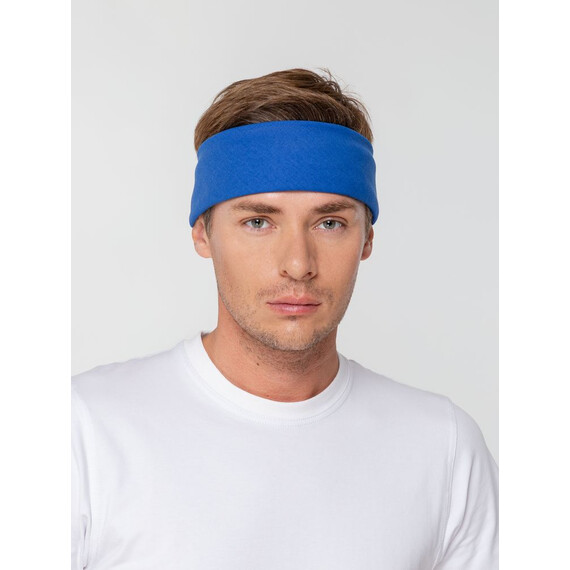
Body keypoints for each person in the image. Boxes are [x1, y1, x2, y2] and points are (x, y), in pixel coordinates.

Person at [72, 68, 498, 569]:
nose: (298, 264)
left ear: (367, 239)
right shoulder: (85, 430)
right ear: (203, 234)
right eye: (258, 221)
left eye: (330, 223)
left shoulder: (442, 446)